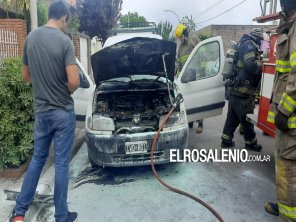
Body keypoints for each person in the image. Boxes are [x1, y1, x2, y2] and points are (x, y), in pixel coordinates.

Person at [9, 1, 80, 222]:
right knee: (60, 164)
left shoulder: (30, 38)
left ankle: (19, 213)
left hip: (42, 112)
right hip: (62, 112)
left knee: (38, 159)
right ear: (64, 18)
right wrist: (63, 86)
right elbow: (75, 82)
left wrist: (44, 83)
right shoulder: (64, 42)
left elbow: (26, 76)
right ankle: (61, 216)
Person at [264, 0, 296, 220]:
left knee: (286, 168)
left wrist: (284, 111)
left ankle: (288, 214)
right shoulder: (290, 27)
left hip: (291, 118)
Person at [221, 28, 263, 151]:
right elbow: (250, 65)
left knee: (232, 117)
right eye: (261, 40)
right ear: (257, 38)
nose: (261, 43)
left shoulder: (242, 43)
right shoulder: (250, 45)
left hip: (235, 90)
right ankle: (251, 143)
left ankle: (226, 140)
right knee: (247, 118)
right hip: (243, 92)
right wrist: (262, 64)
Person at [175, 23, 204, 133]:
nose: (180, 39)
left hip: (196, 75)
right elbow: (179, 62)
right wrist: (178, 77)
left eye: (181, 37)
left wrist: (202, 71)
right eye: (179, 38)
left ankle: (200, 123)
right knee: (188, 101)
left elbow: (202, 53)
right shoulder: (180, 46)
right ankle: (190, 121)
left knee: (198, 100)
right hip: (186, 78)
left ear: (185, 33)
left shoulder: (194, 39)